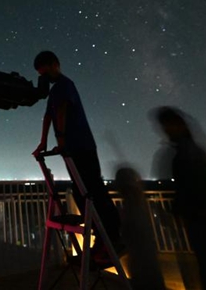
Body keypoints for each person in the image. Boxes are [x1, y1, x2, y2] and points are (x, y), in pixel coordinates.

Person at [32, 51, 123, 264]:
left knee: (93, 191)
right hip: (72, 149)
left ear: (55, 64)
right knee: (82, 192)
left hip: (82, 147)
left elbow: (62, 111)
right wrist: (43, 142)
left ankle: (111, 238)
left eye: (46, 72)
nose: (45, 78)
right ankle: (100, 239)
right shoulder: (55, 90)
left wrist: (60, 140)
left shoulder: (65, 85)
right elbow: (48, 116)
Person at [153, 106, 206, 290]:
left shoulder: (186, 151)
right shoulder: (190, 149)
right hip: (201, 213)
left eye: (167, 125)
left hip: (199, 214)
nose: (165, 130)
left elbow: (190, 183)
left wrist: (178, 209)